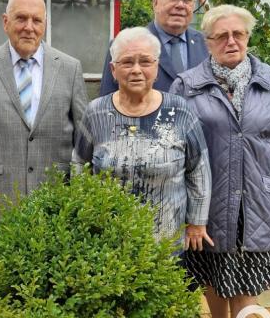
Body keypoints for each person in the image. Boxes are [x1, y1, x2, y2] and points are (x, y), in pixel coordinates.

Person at [171, 5, 270, 318]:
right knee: (211, 271)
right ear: (207, 42)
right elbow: (181, 144)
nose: (231, 41)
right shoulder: (187, 86)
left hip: (256, 196)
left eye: (238, 34)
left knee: (247, 276)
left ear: (248, 37)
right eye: (221, 36)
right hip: (208, 197)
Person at [72, 26, 212, 251]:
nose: (136, 70)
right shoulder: (96, 112)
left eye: (145, 62)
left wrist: (197, 221)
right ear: (113, 70)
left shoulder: (177, 110)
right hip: (109, 240)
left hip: (166, 242)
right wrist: (83, 212)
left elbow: (198, 168)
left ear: (156, 68)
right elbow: (80, 163)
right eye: (127, 62)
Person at [0, 0, 88, 226]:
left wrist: (81, 188)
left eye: (36, 20)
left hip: (58, 190)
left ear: (45, 24)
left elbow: (83, 136)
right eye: (21, 18)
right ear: (5, 21)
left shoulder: (70, 68)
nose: (29, 27)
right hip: (4, 191)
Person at [99, 0, 209, 96]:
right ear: (155, 3)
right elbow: (107, 102)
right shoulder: (124, 45)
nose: (180, 5)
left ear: (193, 6)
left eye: (187, 0)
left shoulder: (207, 44)